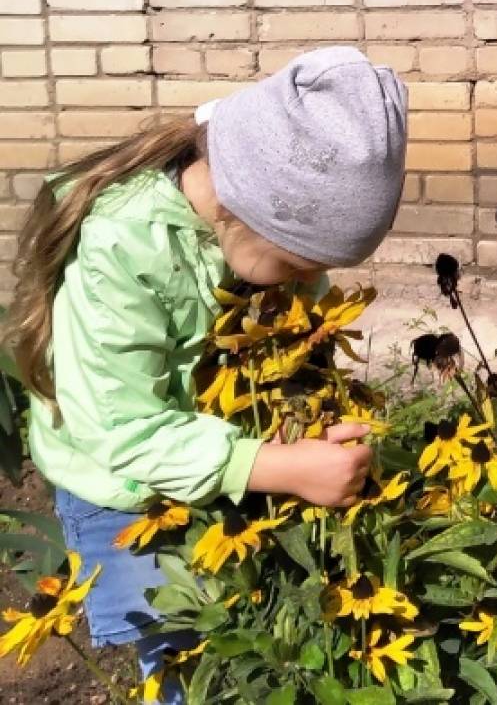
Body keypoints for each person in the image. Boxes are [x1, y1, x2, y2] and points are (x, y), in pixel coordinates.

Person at [5, 46, 407, 701]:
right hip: (124, 491)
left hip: (227, 459)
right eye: (299, 265)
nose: (312, 284)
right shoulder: (123, 248)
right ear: (242, 212)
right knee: (187, 661)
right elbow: (123, 429)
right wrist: (283, 469)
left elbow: (293, 347)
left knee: (254, 629)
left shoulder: (251, 233)